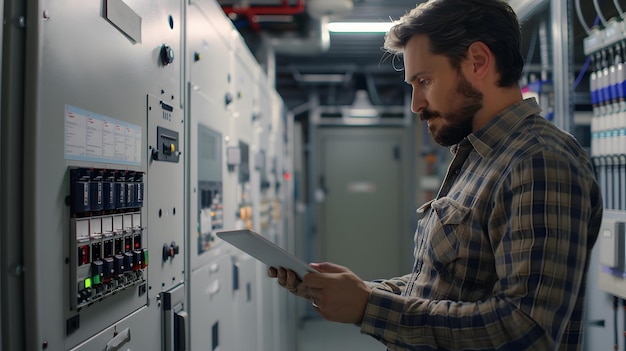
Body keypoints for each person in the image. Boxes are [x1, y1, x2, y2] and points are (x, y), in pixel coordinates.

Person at [269, 0, 603, 349]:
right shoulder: (478, 157)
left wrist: (369, 307)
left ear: (478, 62)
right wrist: (362, 291)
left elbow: (525, 330)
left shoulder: (539, 162)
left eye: (424, 80)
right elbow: (446, 285)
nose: (416, 104)